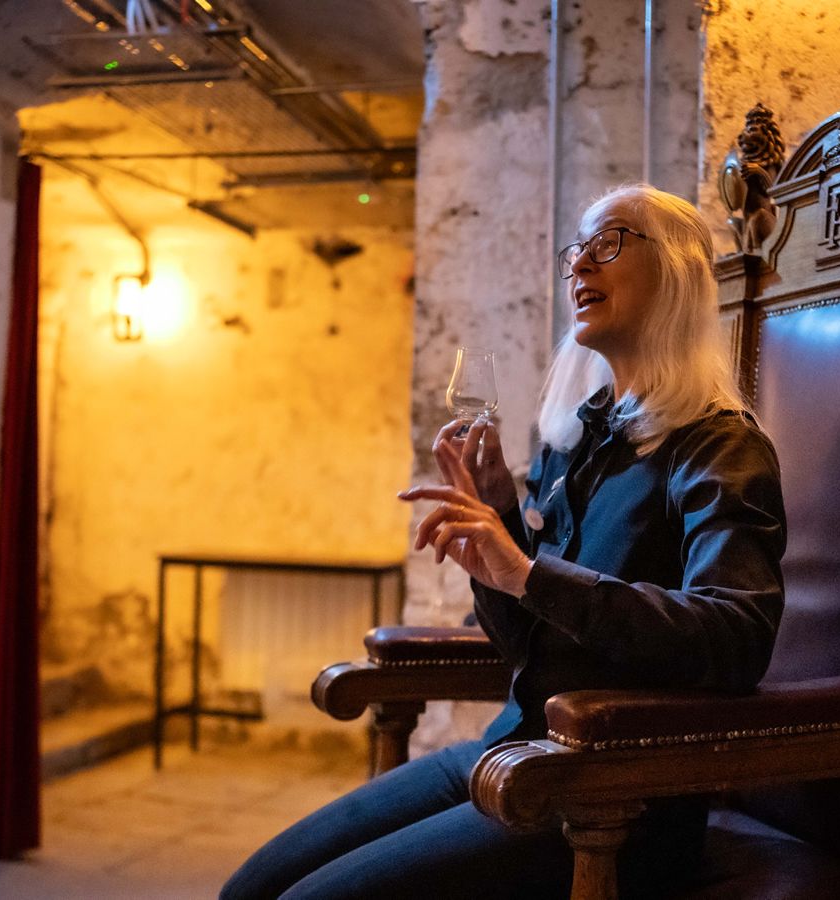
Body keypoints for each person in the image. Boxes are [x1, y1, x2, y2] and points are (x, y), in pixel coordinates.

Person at [220, 184, 786, 899]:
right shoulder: (580, 436)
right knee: (252, 887)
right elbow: (528, 647)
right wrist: (498, 532)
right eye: (577, 249)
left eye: (609, 242)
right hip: (515, 749)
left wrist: (526, 571)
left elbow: (737, 638)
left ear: (677, 271)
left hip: (611, 793)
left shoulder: (719, 447)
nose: (580, 265)